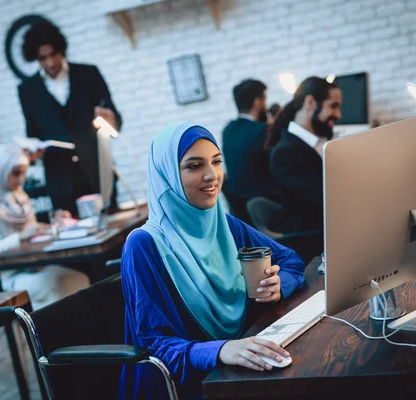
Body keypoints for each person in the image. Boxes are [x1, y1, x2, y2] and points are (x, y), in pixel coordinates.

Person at [119, 123, 306, 399]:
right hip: (183, 385)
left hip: (238, 370)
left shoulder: (225, 225)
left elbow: (290, 259)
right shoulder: (144, 245)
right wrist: (219, 350)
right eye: (194, 166)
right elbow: (153, 347)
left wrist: (280, 285)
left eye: (217, 162)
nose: (212, 175)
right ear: (167, 174)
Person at [17, 20, 122, 217]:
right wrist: (32, 153)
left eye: (53, 54)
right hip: (60, 184)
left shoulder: (89, 74)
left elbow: (115, 120)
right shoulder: (27, 90)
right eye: (43, 58)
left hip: (98, 174)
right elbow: (32, 133)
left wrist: (111, 120)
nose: (50, 63)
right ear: (35, 58)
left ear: (61, 50)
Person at [0, 144, 89, 310]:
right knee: (52, 285)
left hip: (32, 266)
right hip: (3, 277)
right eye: (16, 173)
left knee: (79, 279)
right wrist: (19, 237)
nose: (21, 179)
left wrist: (53, 227)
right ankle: (53, 335)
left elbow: (31, 232)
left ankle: (83, 332)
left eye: (24, 173)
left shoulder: (18, 197)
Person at [268, 76, 342, 235]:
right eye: (333, 106)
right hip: (312, 235)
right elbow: (322, 201)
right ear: (310, 103)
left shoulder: (319, 143)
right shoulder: (285, 153)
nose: (338, 115)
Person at [221, 79, 276, 223]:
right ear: (258, 102)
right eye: (265, 99)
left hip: (240, 215)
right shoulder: (262, 130)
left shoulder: (228, 130)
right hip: (266, 211)